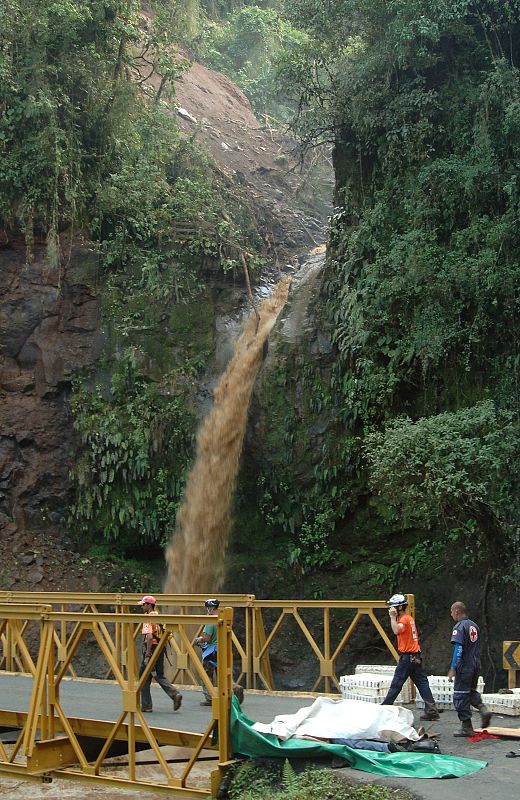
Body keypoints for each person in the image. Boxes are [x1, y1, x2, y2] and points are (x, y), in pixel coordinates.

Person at [381, 593, 440, 720]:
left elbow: (396, 630)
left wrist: (392, 618)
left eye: (393, 607)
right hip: (416, 655)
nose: (391, 610)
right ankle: (432, 711)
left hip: (407, 657)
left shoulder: (403, 620)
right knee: (422, 683)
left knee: (396, 683)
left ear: (400, 608)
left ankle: (384, 709)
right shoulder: (409, 618)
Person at [448, 601, 491, 737]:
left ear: (456, 611)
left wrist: (453, 667)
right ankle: (483, 709)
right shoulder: (474, 626)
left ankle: (466, 727)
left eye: (451, 612)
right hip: (476, 664)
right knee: (470, 691)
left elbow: (458, 648)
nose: (451, 614)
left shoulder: (460, 627)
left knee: (460, 695)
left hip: (465, 666)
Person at [194, 598, 244, 706]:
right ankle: (234, 687)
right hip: (223, 649)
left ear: (211, 608)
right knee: (223, 673)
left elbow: (207, 637)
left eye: (207, 607)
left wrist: (198, 640)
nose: (207, 610)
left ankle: (210, 698)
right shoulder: (223, 618)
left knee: (206, 675)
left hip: (211, 652)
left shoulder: (211, 620)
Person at [137, 594, 182, 713]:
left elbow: (150, 637)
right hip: (161, 648)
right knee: (159, 674)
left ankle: (147, 706)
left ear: (149, 605)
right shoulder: (160, 616)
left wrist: (147, 655)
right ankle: (174, 694)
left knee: (143, 677)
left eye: (143, 605)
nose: (142, 607)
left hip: (151, 649)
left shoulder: (147, 619)